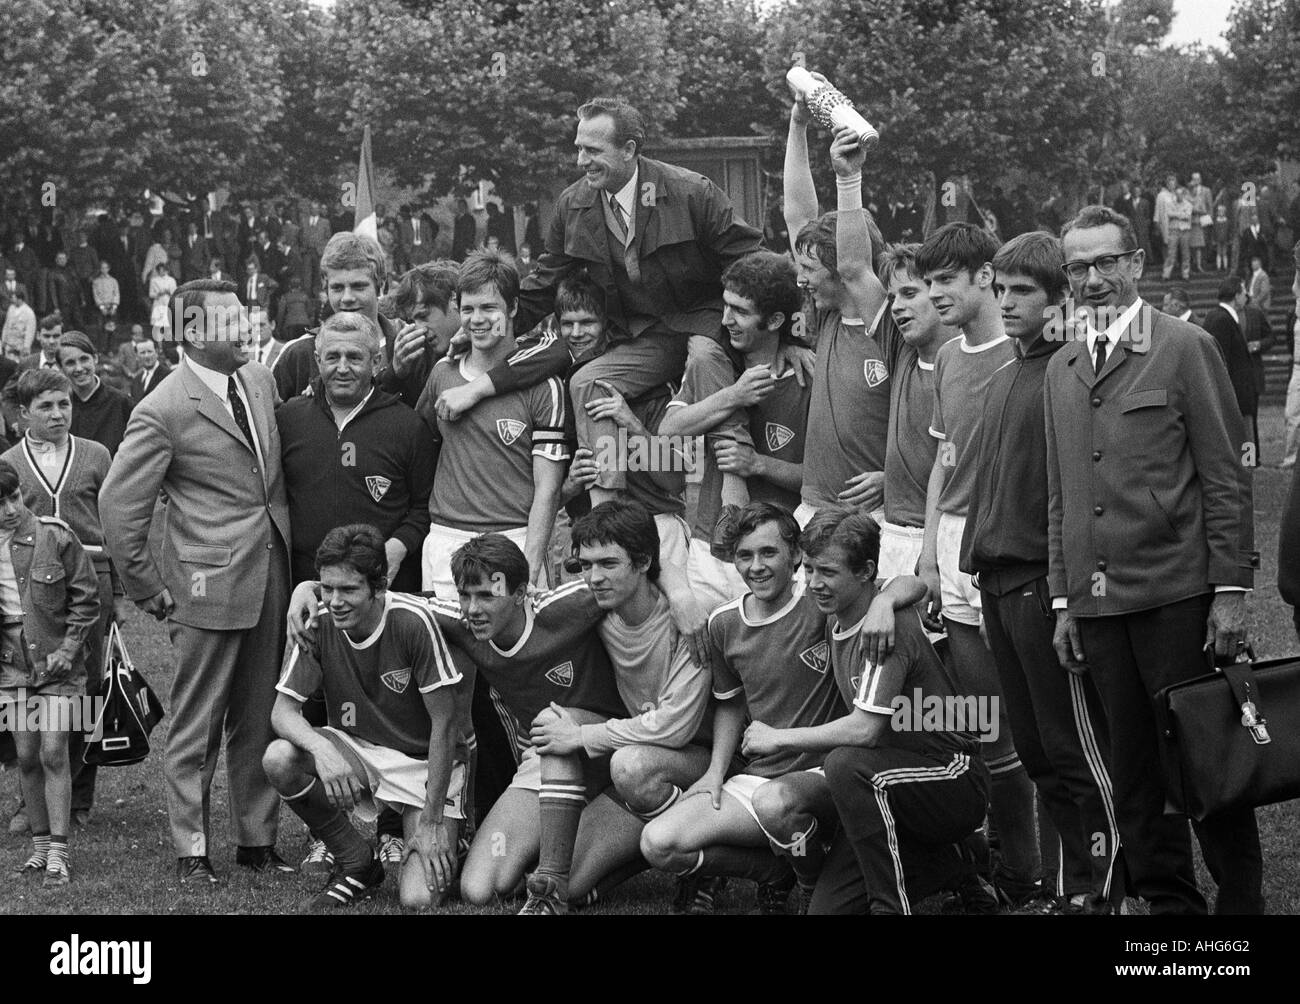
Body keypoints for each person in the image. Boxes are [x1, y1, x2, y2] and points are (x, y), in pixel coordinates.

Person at [1045, 205, 1261, 915]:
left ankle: (1239, 910)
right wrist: (1064, 599)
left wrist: (1228, 590)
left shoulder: (1184, 346)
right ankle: (1171, 916)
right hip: (1100, 609)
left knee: (1203, 760)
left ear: (1137, 262)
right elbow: (1061, 496)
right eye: (1079, 267)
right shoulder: (1064, 366)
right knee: (1133, 777)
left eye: (1108, 262)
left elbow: (1226, 477)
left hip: (1177, 598)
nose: (1094, 278)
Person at [101, 278, 294, 885]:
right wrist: (145, 585)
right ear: (192, 334)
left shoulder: (258, 379)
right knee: (198, 723)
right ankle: (192, 849)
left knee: (260, 714)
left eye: (246, 318)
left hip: (271, 577)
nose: (246, 329)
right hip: (206, 586)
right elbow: (117, 505)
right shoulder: (163, 407)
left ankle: (256, 841)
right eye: (231, 322)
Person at [961, 232, 1120, 914]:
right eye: (1001, 290)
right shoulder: (1001, 378)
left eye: (1024, 291)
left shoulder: (1074, 371)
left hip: (1040, 583)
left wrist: (1066, 597)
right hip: (993, 584)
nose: (1008, 302)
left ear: (1061, 300)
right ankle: (1070, 890)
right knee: (1034, 751)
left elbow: (1077, 495)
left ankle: (1109, 887)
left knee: (1075, 748)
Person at [508, 97, 764, 504]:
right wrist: (496, 336)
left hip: (707, 324)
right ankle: (607, 508)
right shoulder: (573, 204)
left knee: (703, 359)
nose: (580, 161)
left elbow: (753, 263)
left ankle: (732, 506)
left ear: (629, 150)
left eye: (592, 151)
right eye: (578, 148)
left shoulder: (690, 192)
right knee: (588, 381)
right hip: (643, 337)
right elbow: (544, 282)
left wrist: (787, 341)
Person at [763, 507, 987, 915]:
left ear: (866, 572)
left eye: (827, 572)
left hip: (950, 774)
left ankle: (890, 905)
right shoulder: (855, 602)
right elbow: (913, 583)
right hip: (886, 781)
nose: (814, 583)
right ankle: (955, 860)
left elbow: (865, 730)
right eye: (809, 569)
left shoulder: (888, 627)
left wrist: (776, 737)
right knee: (827, 912)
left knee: (845, 763)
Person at [915, 223, 1038, 904]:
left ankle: (1047, 864)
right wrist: (931, 553)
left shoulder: (1027, 356)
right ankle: (1007, 864)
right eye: (928, 281)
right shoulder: (949, 356)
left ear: (984, 277)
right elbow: (944, 460)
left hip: (1009, 546)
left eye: (945, 281)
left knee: (1034, 721)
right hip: (957, 548)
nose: (934, 294)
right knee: (981, 720)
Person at [265, 525, 466, 910]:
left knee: (419, 899)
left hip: (425, 764)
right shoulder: (317, 620)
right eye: (327, 588)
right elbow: (283, 712)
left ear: (379, 586)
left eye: (349, 590)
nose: (335, 601)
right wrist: (321, 751)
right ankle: (357, 861)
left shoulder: (412, 622)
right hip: (361, 750)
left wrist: (432, 819)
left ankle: (452, 835)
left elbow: (446, 726)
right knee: (279, 758)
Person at [2, 368, 127, 832]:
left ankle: (78, 790)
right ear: (23, 413)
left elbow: (115, 518)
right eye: (46, 407)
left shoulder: (95, 454)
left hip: (88, 576)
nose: (58, 414)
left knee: (86, 685)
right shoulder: (11, 461)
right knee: (29, 684)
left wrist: (116, 584)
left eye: (65, 404)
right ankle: (30, 795)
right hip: (28, 586)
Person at [658, 250, 808, 606]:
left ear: (774, 321)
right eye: (726, 306)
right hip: (709, 545)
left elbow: (820, 479)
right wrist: (733, 396)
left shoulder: (807, 378)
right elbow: (668, 431)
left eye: (740, 311)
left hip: (773, 555)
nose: (726, 320)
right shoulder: (714, 368)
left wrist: (758, 464)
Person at [415, 250, 568, 593]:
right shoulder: (443, 373)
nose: (477, 319)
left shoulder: (544, 385)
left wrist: (527, 565)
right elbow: (416, 447)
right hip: (446, 538)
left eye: (489, 308)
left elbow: (548, 489)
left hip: (512, 538)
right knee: (445, 647)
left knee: (513, 647)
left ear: (513, 307)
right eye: (468, 309)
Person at [783, 112, 895, 530]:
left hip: (875, 517)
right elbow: (797, 214)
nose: (800, 277)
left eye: (811, 269)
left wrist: (893, 476)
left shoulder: (889, 327)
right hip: (813, 509)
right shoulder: (825, 318)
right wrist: (797, 125)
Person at [278, 311, 435, 593]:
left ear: (376, 363)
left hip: (384, 585)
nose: (342, 367)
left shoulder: (408, 426)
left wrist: (398, 548)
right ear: (317, 361)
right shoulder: (288, 420)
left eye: (354, 357)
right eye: (332, 357)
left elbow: (426, 507)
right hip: (306, 585)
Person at [0, 459, 100, 887]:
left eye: (13, 497)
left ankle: (59, 852)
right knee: (25, 754)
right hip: (11, 670)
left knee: (53, 751)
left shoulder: (54, 535)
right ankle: (40, 849)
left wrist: (69, 648)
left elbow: (87, 598)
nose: (8, 509)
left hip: (58, 666)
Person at [876, 243, 956, 578]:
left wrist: (931, 557)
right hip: (891, 536)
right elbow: (852, 269)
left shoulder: (968, 367)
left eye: (909, 292)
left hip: (943, 541)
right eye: (892, 297)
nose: (896, 306)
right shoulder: (902, 350)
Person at [1202, 277, 1259, 462]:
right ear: (1236, 296)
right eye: (1243, 292)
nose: (1246, 296)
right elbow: (1220, 361)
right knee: (1243, 441)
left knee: (1245, 438)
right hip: (1236, 395)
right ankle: (1246, 468)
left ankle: (1247, 466)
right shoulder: (1222, 320)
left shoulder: (1219, 317)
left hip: (1238, 394)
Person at [57, 331, 133, 458]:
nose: (79, 368)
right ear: (60, 368)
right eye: (70, 363)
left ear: (95, 359)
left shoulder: (122, 404)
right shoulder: (59, 408)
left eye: (84, 359)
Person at [128, 335, 170, 405]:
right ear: (137, 357)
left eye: (150, 351)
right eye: (142, 353)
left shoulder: (168, 376)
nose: (147, 356)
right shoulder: (136, 381)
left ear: (156, 353)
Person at [274, 275, 312, 345]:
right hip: (304, 324)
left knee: (292, 346)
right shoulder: (305, 296)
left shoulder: (285, 297)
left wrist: (278, 328)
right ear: (300, 287)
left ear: (289, 286)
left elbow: (281, 313)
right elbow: (310, 312)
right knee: (303, 345)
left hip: (290, 326)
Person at [91, 261, 120, 352]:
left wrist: (114, 306)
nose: (104, 270)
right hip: (101, 308)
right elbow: (96, 295)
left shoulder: (113, 280)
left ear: (108, 268)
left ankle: (110, 349)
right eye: (102, 268)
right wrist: (101, 307)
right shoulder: (96, 281)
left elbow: (116, 293)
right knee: (100, 329)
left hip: (111, 307)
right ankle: (100, 349)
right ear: (100, 269)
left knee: (111, 329)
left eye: (105, 268)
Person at [2, 285, 36, 360]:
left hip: (20, 347)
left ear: (20, 299)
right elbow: (6, 325)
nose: (12, 300)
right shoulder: (11, 308)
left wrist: (26, 347)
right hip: (9, 345)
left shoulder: (29, 312)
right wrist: (3, 340)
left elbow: (30, 332)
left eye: (14, 298)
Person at [148, 262, 176, 341]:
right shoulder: (154, 280)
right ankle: (159, 346)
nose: (162, 272)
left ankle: (168, 343)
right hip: (158, 304)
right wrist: (158, 293)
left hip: (168, 303)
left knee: (168, 324)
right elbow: (151, 294)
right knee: (158, 325)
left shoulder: (171, 280)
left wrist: (168, 292)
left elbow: (175, 293)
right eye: (160, 270)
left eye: (163, 270)